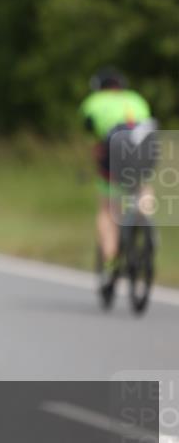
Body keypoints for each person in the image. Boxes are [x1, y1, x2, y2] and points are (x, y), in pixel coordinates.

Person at [79, 67, 154, 288]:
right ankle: (146, 219)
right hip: (147, 142)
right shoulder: (136, 98)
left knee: (108, 208)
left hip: (116, 145)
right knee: (142, 182)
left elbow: (92, 137)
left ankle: (111, 259)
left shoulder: (94, 101)